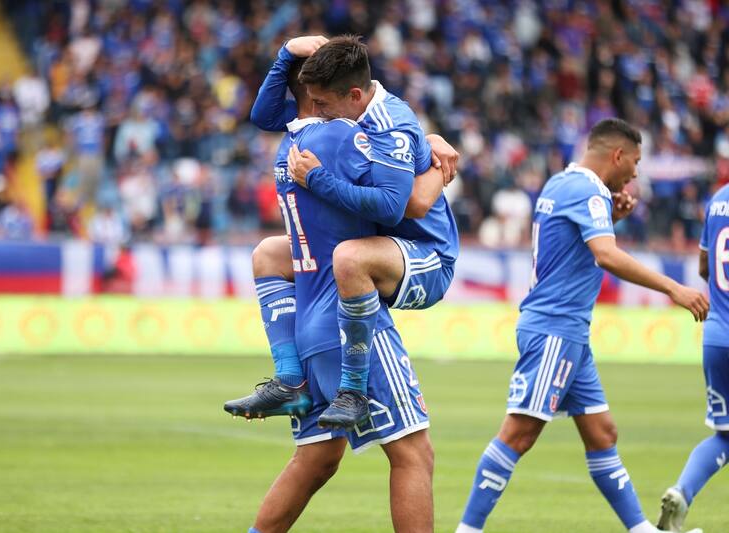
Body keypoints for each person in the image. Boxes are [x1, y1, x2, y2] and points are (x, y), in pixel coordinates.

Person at [455, 118, 708, 533]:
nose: (636, 173)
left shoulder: (561, 183)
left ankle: (641, 530)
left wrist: (611, 214)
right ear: (618, 155)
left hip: (568, 331)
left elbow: (572, 247)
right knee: (519, 433)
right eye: (636, 162)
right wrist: (673, 289)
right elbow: (605, 256)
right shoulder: (588, 189)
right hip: (555, 328)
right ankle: (468, 530)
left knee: (602, 432)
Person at [227, 35, 459, 429]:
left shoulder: (390, 125)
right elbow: (265, 117)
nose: (314, 112)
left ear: (353, 94)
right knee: (268, 253)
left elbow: (397, 206)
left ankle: (353, 391)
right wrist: (286, 54)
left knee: (349, 257)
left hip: (423, 256)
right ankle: (289, 380)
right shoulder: (345, 117)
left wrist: (316, 179)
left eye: (321, 104)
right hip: (379, 243)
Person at [245, 56, 433, 533]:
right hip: (348, 315)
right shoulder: (344, 135)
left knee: (315, 461)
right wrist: (431, 154)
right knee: (413, 453)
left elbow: (264, 115)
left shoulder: (288, 147)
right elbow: (397, 205)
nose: (322, 108)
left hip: (304, 318)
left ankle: (287, 377)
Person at [656, 182, 729, 532]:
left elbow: (704, 265)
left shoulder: (718, 200)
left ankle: (682, 491)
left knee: (726, 435)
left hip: (717, 334)